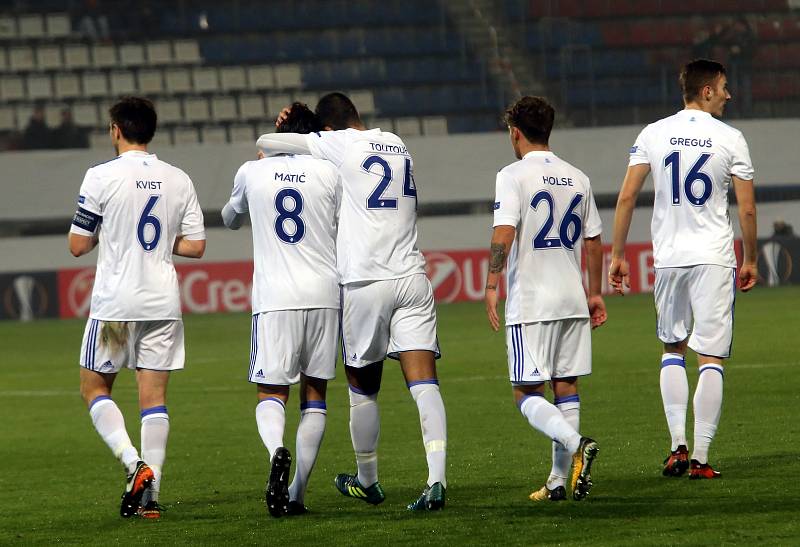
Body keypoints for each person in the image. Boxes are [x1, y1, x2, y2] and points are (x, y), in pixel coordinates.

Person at [256, 93, 447, 511]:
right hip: (412, 276)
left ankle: (368, 480)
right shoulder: (397, 142)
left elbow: (269, 144)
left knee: (362, 388)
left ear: (329, 128)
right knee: (424, 382)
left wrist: (283, 123)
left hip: (365, 281)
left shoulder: (338, 144)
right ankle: (436, 480)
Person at [609, 59, 758, 479]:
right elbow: (745, 206)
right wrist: (750, 258)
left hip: (670, 258)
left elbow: (626, 197)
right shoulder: (730, 138)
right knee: (710, 356)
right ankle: (701, 458)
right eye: (724, 87)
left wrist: (617, 254)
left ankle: (676, 445)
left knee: (672, 349)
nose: (729, 94)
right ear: (706, 91)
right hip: (713, 257)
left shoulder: (653, 133)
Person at [68, 97, 206, 518]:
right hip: (162, 304)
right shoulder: (179, 178)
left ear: (115, 130)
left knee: (94, 388)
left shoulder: (100, 176)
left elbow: (77, 245)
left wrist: (107, 233)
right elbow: (196, 246)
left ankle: (133, 464)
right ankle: (151, 499)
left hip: (116, 306)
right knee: (154, 400)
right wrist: (163, 241)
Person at [221, 103, 340, 518]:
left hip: (275, 298)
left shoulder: (251, 171)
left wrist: (257, 175)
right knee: (315, 395)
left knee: (271, 393)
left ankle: (277, 450)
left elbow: (230, 218)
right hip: (325, 294)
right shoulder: (329, 172)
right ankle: (297, 494)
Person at [485, 96, 606, 503]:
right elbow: (593, 242)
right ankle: (558, 481)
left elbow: (504, 233)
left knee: (526, 393)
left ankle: (576, 445)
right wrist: (594, 293)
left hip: (533, 301)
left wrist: (490, 284)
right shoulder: (578, 177)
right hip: (572, 298)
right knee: (566, 386)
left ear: (515, 132)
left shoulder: (512, 175)